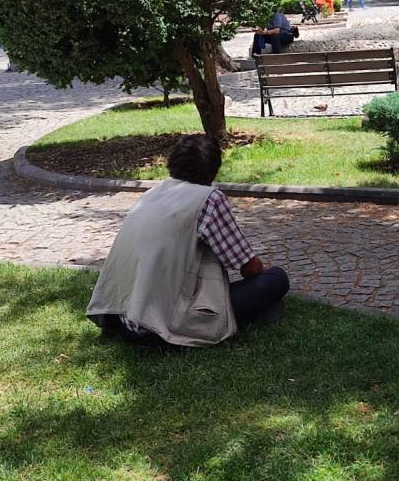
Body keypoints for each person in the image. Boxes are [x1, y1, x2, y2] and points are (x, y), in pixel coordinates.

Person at [88, 135, 291, 348]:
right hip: (158, 325)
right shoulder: (209, 199)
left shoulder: (152, 194)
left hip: (123, 315)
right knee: (276, 279)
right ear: (213, 170)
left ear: (172, 163)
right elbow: (250, 267)